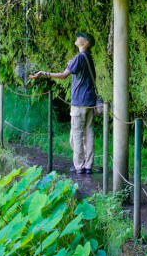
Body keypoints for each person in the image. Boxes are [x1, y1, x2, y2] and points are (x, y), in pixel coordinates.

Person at [30, 31, 98, 174]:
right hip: (90, 102)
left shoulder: (79, 57)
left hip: (79, 102)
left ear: (85, 43)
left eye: (80, 37)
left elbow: (63, 75)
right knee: (89, 133)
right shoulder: (89, 58)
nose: (77, 38)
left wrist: (44, 73)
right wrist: (71, 64)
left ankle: (79, 166)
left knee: (77, 134)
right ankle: (88, 165)